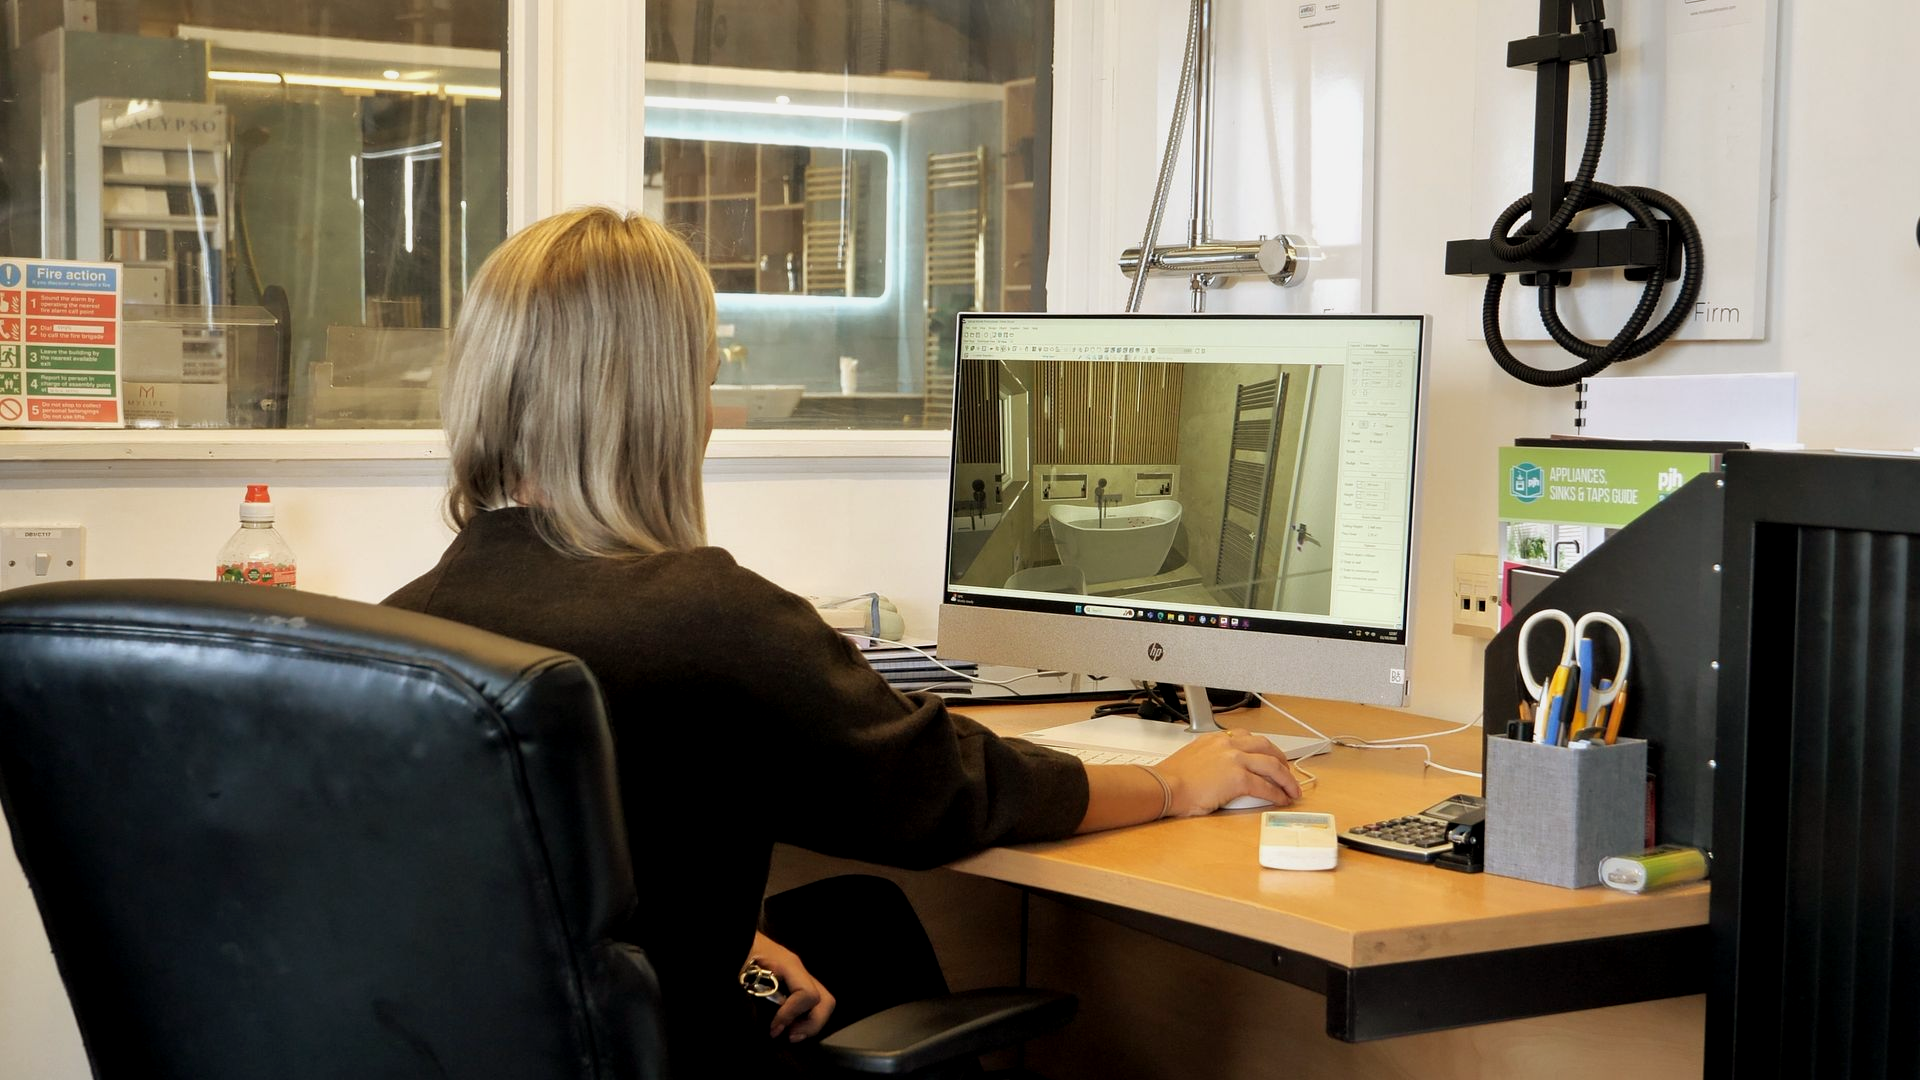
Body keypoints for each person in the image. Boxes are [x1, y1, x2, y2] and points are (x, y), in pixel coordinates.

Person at [383, 206, 1301, 1074]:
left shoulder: (402, 627)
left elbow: (509, 880)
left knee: (861, 919)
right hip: (664, 1048)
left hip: (506, 1044)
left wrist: (715, 935)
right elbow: (943, 789)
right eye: (704, 382)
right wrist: (1172, 783)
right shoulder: (707, 616)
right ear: (656, 410)